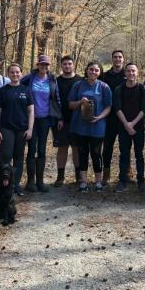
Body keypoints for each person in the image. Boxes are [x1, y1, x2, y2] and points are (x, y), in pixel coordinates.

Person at [68, 61, 113, 193]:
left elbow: (108, 106)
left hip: (98, 126)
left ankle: (98, 182)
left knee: (96, 154)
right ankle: (83, 182)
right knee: (82, 153)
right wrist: (79, 102)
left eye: (96, 70)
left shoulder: (104, 87)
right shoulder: (78, 85)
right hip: (80, 126)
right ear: (86, 70)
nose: (93, 72)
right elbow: (70, 104)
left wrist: (100, 117)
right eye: (91, 69)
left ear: (100, 72)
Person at [21, 55, 62, 192]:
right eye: (42, 64)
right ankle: (30, 181)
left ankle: (40, 181)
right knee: (32, 149)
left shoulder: (52, 80)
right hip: (31, 119)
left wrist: (60, 116)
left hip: (46, 119)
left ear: (49, 66)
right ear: (37, 65)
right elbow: (18, 89)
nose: (44, 67)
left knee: (42, 150)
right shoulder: (29, 78)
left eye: (46, 65)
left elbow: (57, 99)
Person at [0, 64, 34, 196]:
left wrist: (30, 129)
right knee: (5, 157)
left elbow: (31, 111)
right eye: (12, 72)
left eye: (17, 72)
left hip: (22, 129)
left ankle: (15, 185)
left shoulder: (26, 90)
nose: (15, 74)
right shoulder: (3, 91)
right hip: (6, 128)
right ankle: (2, 185)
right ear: (8, 74)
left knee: (19, 158)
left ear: (21, 74)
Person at [113, 62, 145, 193]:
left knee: (139, 154)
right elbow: (117, 108)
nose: (131, 73)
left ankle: (141, 182)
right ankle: (123, 181)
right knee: (124, 154)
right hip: (123, 127)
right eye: (128, 71)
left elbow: (144, 109)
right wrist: (127, 124)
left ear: (137, 73)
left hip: (138, 127)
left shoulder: (143, 89)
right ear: (125, 73)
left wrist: (132, 124)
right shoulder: (119, 89)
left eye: (133, 71)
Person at [53, 55, 81, 186]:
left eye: (69, 63)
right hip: (61, 121)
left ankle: (78, 176)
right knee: (62, 148)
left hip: (78, 120)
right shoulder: (56, 81)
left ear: (73, 64)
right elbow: (53, 102)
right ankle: (60, 176)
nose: (67, 66)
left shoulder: (80, 80)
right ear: (61, 66)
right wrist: (59, 117)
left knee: (76, 148)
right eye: (65, 64)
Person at [98, 50, 126, 184]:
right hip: (109, 117)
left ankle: (125, 173)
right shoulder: (105, 76)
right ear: (112, 59)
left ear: (123, 59)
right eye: (115, 57)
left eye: (120, 57)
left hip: (125, 117)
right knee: (107, 147)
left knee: (125, 146)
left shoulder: (128, 74)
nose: (117, 59)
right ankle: (106, 173)